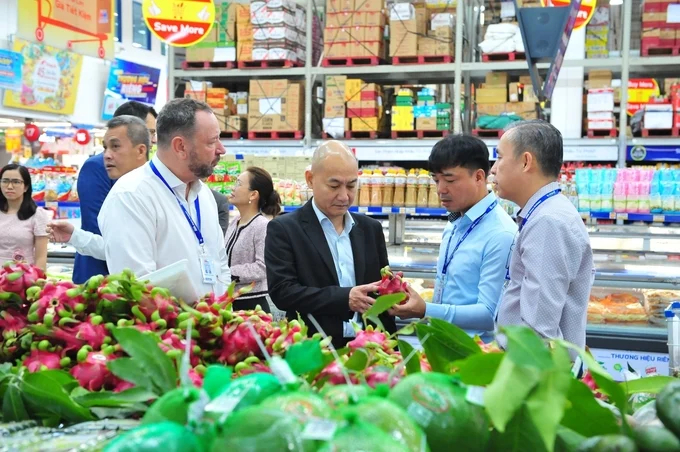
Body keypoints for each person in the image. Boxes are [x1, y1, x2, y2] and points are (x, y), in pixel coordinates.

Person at [265, 140, 395, 348]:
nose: (344, 196)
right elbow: (283, 292)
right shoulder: (284, 229)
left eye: (351, 185)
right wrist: (345, 298)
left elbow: (379, 288)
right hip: (314, 347)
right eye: (334, 186)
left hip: (369, 347)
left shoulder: (370, 229)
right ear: (310, 179)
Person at [388, 135, 517, 342]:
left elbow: (488, 314)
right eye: (436, 180)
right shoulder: (454, 224)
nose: (440, 190)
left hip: (474, 355)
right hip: (442, 343)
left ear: (479, 177)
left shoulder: (500, 234)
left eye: (449, 180)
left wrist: (425, 309)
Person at [98, 98, 230, 297]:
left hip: (212, 324)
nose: (222, 149)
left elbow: (220, 263)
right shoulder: (132, 197)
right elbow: (138, 290)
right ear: (180, 147)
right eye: (212, 142)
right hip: (169, 327)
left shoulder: (203, 195)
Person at [492, 120, 593, 349]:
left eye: (499, 157)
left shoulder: (548, 222)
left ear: (526, 161)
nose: (493, 168)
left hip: (532, 374)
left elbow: (538, 333)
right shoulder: (546, 213)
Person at [72, 101, 157, 283]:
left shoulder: (151, 175)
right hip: (99, 274)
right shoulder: (96, 167)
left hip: (138, 278)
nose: (155, 139)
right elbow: (98, 227)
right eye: (150, 133)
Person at [47, 116, 151, 259]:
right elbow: (117, 248)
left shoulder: (153, 190)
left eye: (115, 146)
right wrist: (74, 236)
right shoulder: (121, 190)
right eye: (105, 147)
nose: (107, 155)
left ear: (140, 151)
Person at [225, 167, 281, 311]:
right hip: (231, 300)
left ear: (253, 195)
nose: (233, 187)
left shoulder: (262, 226)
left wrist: (227, 272)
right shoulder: (235, 222)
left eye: (238, 184)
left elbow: (262, 267)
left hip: (252, 305)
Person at [0, 164, 49, 270]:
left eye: (16, 182)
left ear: (26, 187)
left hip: (22, 278)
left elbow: (40, 258)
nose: (9, 186)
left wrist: (36, 281)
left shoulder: (37, 215)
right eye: (5, 181)